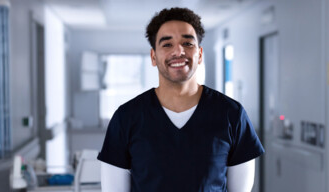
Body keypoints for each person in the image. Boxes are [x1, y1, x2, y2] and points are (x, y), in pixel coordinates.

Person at [96, 7, 265, 192]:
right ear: (153, 56)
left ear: (199, 54)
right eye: (167, 44)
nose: (178, 51)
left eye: (187, 43)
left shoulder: (231, 115)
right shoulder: (126, 117)